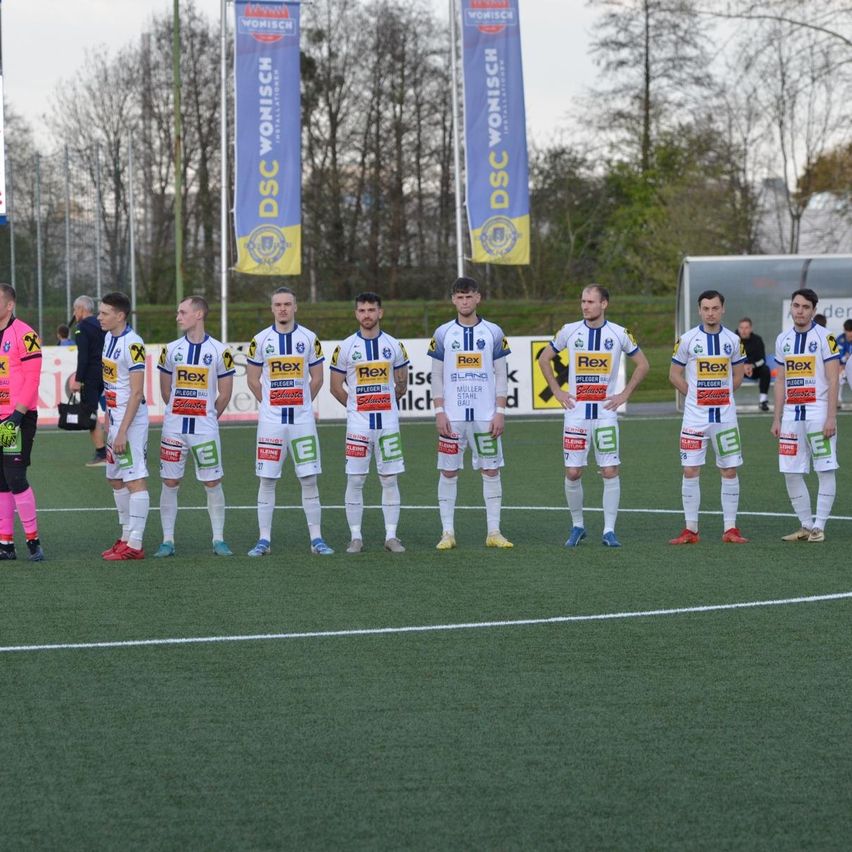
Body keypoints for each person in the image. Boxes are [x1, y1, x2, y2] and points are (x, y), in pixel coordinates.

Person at [538, 285, 650, 547]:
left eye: (590, 301)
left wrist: (624, 394)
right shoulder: (569, 330)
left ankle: (609, 530)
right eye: (582, 301)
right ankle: (578, 526)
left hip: (605, 413)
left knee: (610, 469)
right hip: (576, 413)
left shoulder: (619, 333)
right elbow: (544, 359)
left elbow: (644, 364)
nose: (585, 306)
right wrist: (557, 391)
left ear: (604, 304)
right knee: (574, 472)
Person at [245, 286, 333, 556]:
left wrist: (303, 402)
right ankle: (264, 540)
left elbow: (317, 378)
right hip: (271, 422)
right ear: (272, 309)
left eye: (287, 304)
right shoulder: (259, 341)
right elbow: (252, 378)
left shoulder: (309, 339)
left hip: (302, 420)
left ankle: (316, 539)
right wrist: (270, 403)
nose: (282, 308)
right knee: (267, 479)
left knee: (308, 478)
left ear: (295, 307)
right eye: (278, 304)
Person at [428, 276, 512, 550]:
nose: (464, 301)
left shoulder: (494, 332)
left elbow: (502, 374)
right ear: (453, 300)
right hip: (452, 417)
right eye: (459, 297)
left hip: (486, 416)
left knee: (490, 469)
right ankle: (447, 533)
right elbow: (437, 376)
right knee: (448, 472)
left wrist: (500, 411)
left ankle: (494, 532)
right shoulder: (442, 333)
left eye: (469, 296)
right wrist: (439, 411)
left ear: (478, 298)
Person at [155, 296, 236, 558]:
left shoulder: (220, 351)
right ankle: (167, 540)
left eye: (182, 312)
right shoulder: (170, 350)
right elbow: (166, 390)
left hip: (205, 429)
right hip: (174, 427)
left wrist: (208, 417)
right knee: (170, 480)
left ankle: (218, 539)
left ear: (199, 314)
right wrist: (180, 411)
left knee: (212, 481)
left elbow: (224, 394)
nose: (178, 316)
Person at [330, 293, 409, 554]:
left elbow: (402, 384)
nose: (367, 314)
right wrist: (356, 409)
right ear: (356, 314)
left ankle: (391, 536)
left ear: (380, 313)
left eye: (371, 310)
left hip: (388, 423)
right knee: (355, 479)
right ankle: (355, 537)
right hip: (358, 426)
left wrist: (384, 404)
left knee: (389, 478)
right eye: (362, 310)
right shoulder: (345, 347)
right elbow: (335, 386)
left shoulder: (394, 346)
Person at [668, 289, 748, 545]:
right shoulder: (687, 339)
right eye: (706, 308)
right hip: (694, 418)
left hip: (725, 417)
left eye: (715, 308)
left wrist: (722, 394)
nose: (710, 313)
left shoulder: (733, 340)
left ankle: (730, 529)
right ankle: (691, 530)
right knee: (690, 469)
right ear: (699, 310)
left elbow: (738, 375)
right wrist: (693, 395)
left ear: (723, 309)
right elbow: (674, 374)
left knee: (729, 469)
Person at [771, 288, 841, 542]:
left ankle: (819, 526)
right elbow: (780, 382)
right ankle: (805, 525)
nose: (800, 311)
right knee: (790, 471)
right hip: (791, 415)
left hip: (818, 411)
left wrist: (831, 416)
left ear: (813, 310)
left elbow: (834, 378)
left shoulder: (825, 337)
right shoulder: (783, 339)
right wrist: (777, 417)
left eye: (805, 307)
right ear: (791, 307)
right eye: (796, 306)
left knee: (825, 468)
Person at [99, 291, 150, 560]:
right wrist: (109, 420)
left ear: (120, 316)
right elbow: (111, 385)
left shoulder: (134, 344)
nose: (100, 317)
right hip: (115, 419)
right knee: (114, 478)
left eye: (104, 313)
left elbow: (137, 392)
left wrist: (122, 430)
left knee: (134, 479)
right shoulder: (108, 338)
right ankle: (126, 535)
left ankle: (136, 544)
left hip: (131, 422)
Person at [0, 283, 45, 562]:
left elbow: (33, 379)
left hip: (15, 419)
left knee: (16, 478)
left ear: (9, 305)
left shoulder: (25, 334)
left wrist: (16, 416)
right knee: (1, 482)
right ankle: (5, 543)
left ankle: (33, 540)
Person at [68, 295, 107, 466]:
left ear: (81, 309)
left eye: (75, 309)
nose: (74, 313)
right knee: (113, 412)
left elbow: (83, 357)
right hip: (108, 373)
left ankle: (102, 454)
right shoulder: (103, 324)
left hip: (91, 376)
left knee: (90, 414)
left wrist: (78, 380)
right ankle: (118, 451)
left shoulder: (82, 327)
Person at [737, 317, 772, 412]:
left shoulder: (757, 340)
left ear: (751, 329)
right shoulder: (733, 339)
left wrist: (751, 366)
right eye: (741, 327)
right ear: (738, 328)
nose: (743, 330)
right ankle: (725, 400)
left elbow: (762, 360)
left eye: (746, 328)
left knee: (765, 369)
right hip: (737, 369)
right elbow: (727, 359)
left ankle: (763, 401)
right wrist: (741, 367)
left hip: (754, 369)